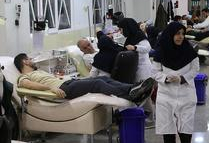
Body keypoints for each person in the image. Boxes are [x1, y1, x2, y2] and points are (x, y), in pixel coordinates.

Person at [153, 22, 200, 143]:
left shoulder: (189, 50)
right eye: (177, 34)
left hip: (186, 93)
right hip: (166, 94)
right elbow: (154, 72)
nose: (180, 37)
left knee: (185, 127)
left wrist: (182, 78)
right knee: (167, 129)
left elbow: (195, 69)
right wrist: (166, 78)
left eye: (182, 33)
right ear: (170, 35)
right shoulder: (160, 52)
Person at [13, 53, 154, 103]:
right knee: (97, 84)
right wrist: (51, 88)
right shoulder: (23, 77)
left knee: (104, 79)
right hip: (63, 89)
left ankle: (134, 88)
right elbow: (29, 85)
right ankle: (131, 95)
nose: (32, 60)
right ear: (24, 62)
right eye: (29, 59)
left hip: (69, 83)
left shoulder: (38, 71)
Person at [118, 18, 154, 82]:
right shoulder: (130, 38)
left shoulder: (139, 35)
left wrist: (135, 47)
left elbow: (147, 48)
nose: (120, 32)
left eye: (121, 29)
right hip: (135, 69)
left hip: (143, 69)